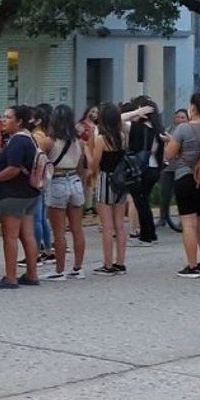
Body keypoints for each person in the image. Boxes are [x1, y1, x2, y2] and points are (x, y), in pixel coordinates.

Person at [167, 92, 200, 279]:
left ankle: (192, 265)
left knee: (188, 223)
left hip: (186, 177)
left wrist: (170, 143)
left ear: (194, 107)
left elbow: (170, 154)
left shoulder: (183, 129)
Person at [0, 105, 40, 289]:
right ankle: (32, 274)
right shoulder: (30, 139)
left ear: (19, 121)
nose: (4, 121)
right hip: (30, 193)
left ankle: (11, 277)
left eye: (8, 117)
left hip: (13, 194)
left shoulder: (17, 141)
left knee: (10, 236)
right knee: (28, 235)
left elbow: (13, 169)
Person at [43, 104, 87, 280]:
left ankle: (59, 269)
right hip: (74, 181)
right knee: (77, 229)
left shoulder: (49, 141)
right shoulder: (78, 142)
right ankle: (78, 267)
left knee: (59, 230)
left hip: (58, 180)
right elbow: (81, 166)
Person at [90, 103, 130, 276]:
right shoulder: (122, 136)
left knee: (107, 226)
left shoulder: (101, 139)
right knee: (120, 225)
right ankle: (120, 262)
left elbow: (94, 164)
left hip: (106, 179)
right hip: (121, 181)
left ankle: (107, 264)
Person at [127, 96, 166, 246]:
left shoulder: (136, 127)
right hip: (154, 167)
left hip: (140, 168)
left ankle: (146, 236)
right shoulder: (158, 129)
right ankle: (150, 234)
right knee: (144, 201)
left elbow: (115, 120)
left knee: (140, 202)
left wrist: (135, 112)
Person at [30, 104, 54, 264]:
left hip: (37, 177)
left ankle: (36, 250)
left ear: (37, 121)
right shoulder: (47, 135)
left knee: (36, 217)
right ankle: (47, 249)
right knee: (43, 216)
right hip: (46, 177)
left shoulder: (36, 137)